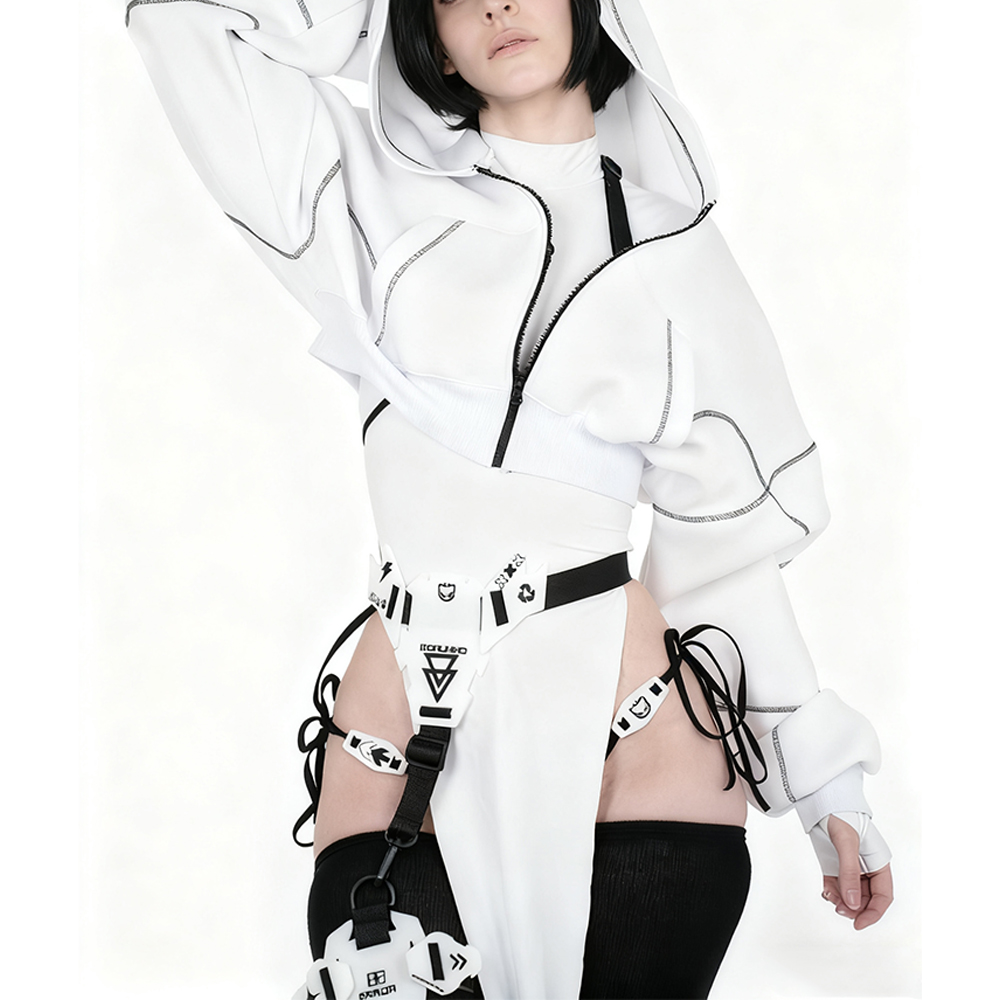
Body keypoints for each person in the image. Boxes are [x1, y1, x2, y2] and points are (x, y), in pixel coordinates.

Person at [127, 0, 894, 996]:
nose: (495, 4)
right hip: (400, 730)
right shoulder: (359, 196)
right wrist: (376, 25)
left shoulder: (678, 252)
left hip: (634, 727)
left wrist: (827, 783)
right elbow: (181, 22)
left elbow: (726, 547)